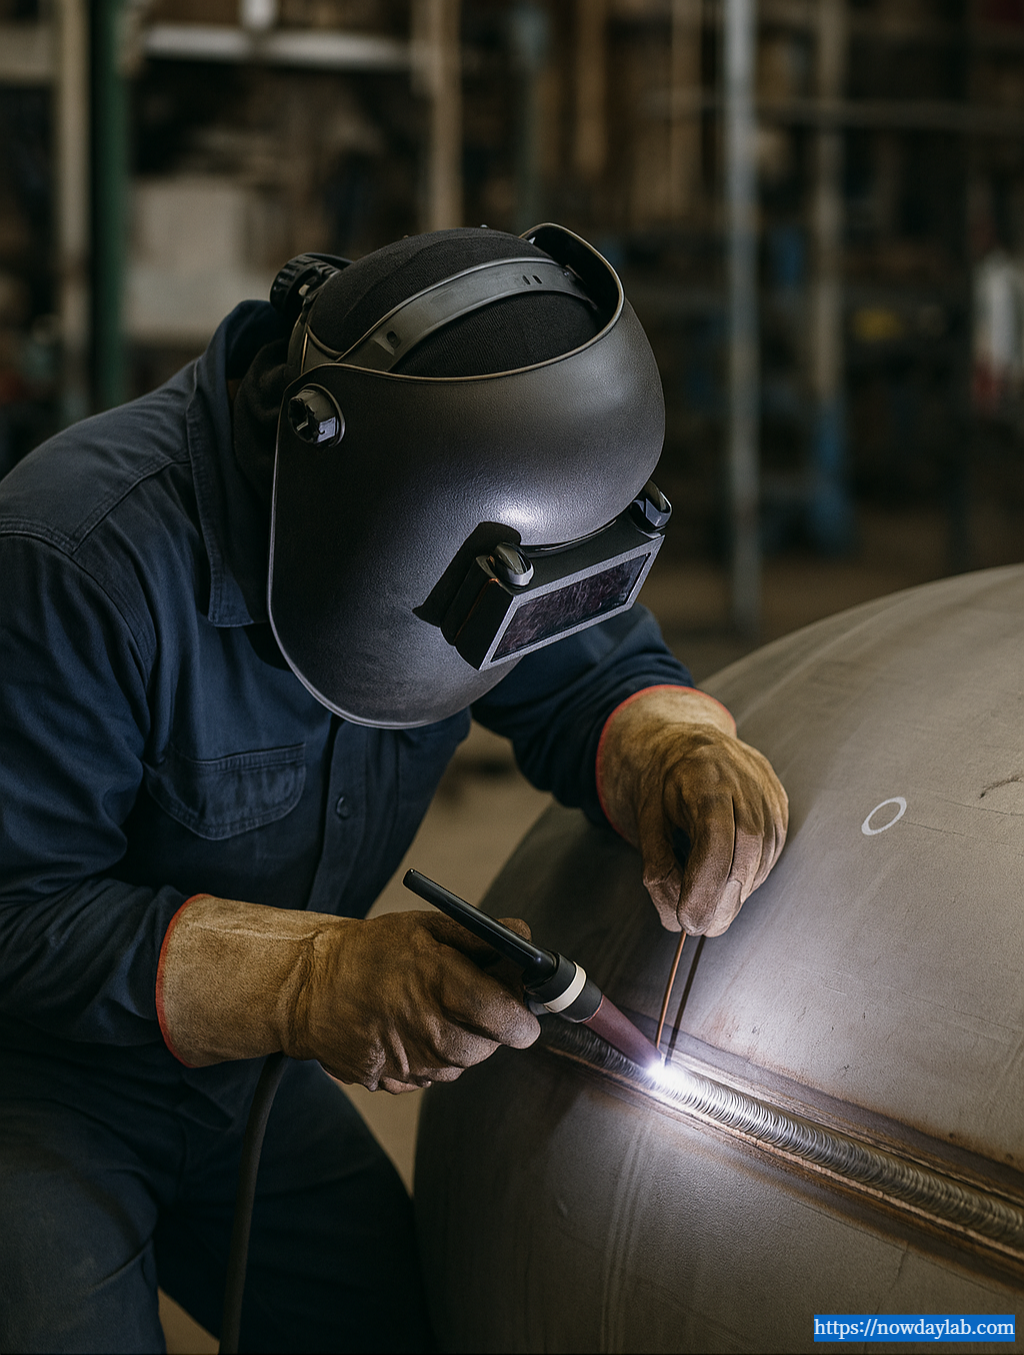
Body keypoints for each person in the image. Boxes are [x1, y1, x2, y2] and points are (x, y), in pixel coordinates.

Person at [0, 224, 787, 1353]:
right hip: (36, 1080)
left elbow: (589, 669)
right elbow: (17, 909)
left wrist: (674, 749)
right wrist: (311, 978)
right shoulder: (76, 558)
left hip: (242, 1080)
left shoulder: (473, 500)